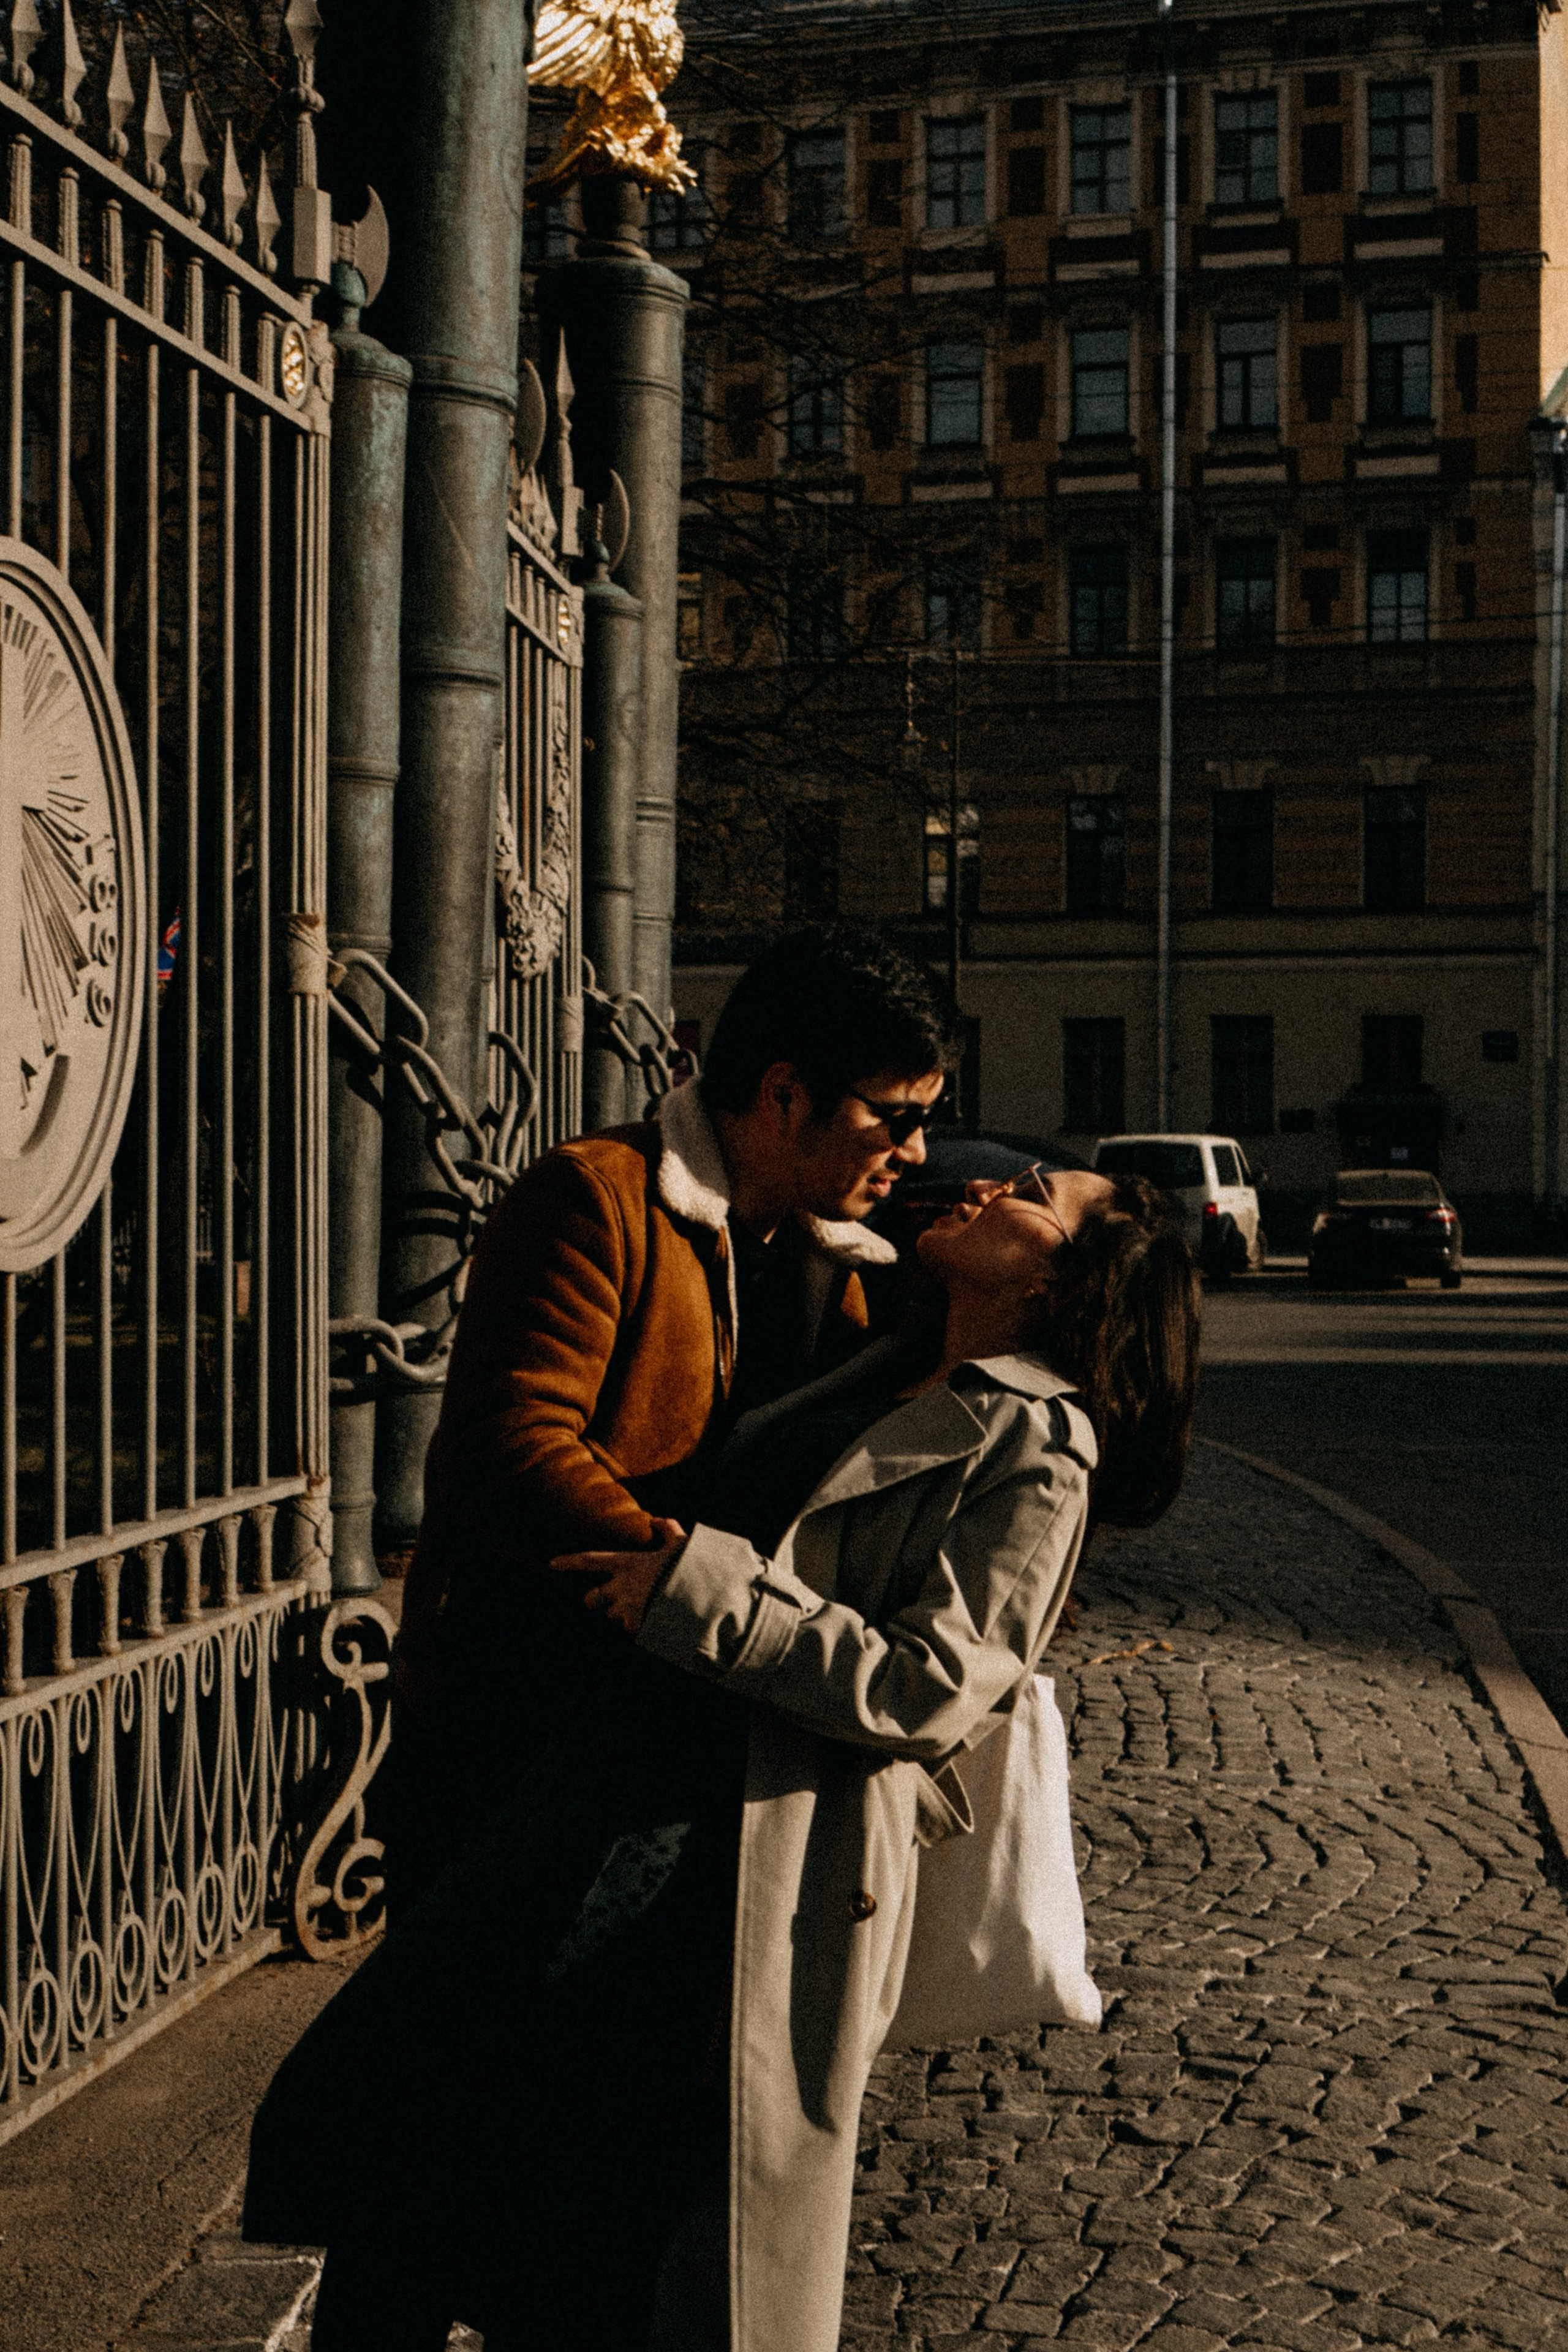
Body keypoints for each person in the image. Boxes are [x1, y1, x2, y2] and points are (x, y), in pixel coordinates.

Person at [243, 1159, 1200, 2352]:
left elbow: (931, 1686)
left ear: (1070, 1271)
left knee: (569, 2205)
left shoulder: (1037, 1445)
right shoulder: (872, 1349)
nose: (983, 1180)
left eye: (1033, 1194)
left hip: (723, 1860)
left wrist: (696, 1594)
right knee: (417, 2146)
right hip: (611, 1793)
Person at [386, 924, 960, 1901]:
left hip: (688, 1726)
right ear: (784, 1092)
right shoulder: (597, 1197)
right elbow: (511, 1443)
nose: (915, 1150)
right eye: (893, 1115)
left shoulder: (844, 1266)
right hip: (524, 1714)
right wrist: (684, 1577)